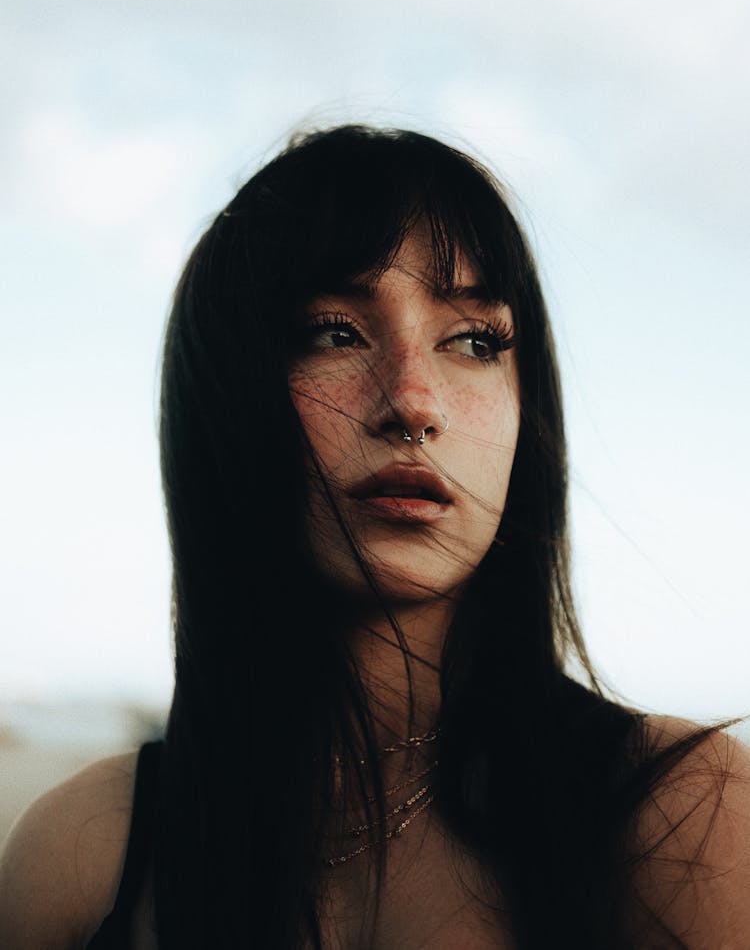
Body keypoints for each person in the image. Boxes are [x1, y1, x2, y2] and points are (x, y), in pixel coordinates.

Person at [1, 124, 749, 949]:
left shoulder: (690, 821)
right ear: (229, 399)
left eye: (473, 341)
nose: (412, 402)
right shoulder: (80, 860)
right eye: (334, 332)